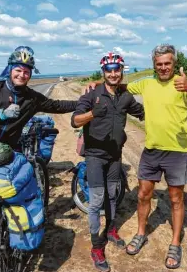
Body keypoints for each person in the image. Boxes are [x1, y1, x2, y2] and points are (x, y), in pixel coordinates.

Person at [85, 44, 187, 270]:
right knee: (142, 195)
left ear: (174, 63)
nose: (163, 68)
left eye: (167, 63)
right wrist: (95, 86)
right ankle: (141, 233)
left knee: (176, 199)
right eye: (159, 64)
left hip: (177, 151)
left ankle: (175, 243)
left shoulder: (183, 84)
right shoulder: (146, 83)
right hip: (151, 150)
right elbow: (118, 85)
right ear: (154, 65)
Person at [0, 46, 78, 272]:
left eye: (27, 71)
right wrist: (0, 114)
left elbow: (56, 106)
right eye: (18, 69)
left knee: (17, 189)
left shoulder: (31, 98)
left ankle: (16, 232)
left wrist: (84, 102)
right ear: (9, 69)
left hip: (8, 150)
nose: (22, 74)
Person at [71, 52, 144, 272]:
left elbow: (143, 112)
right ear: (103, 72)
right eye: (109, 70)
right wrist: (93, 113)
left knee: (112, 195)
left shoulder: (125, 96)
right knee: (96, 201)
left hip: (115, 156)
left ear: (122, 70)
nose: (113, 73)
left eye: (117, 69)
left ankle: (110, 229)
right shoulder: (92, 93)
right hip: (94, 156)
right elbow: (75, 120)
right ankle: (96, 246)